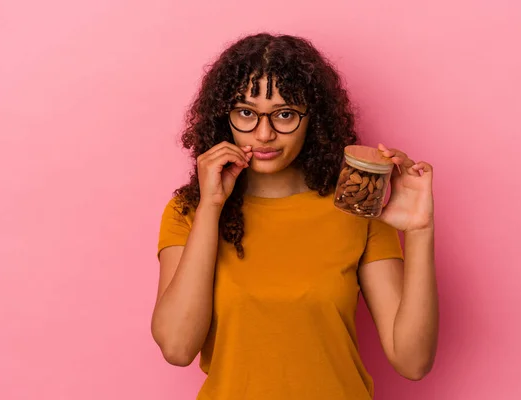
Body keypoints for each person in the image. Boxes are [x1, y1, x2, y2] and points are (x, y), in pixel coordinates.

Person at [151, 33, 438, 400]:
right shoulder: (188, 211)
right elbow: (177, 347)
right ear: (225, 117)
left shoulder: (355, 208)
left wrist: (419, 230)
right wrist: (211, 207)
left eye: (284, 114)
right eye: (246, 113)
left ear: (312, 119)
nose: (264, 133)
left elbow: (412, 361)